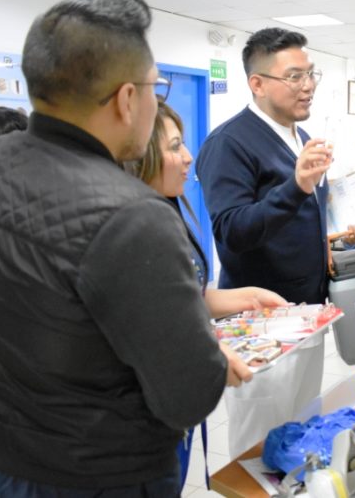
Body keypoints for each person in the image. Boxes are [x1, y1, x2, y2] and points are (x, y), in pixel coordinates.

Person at [0, 0, 251, 493]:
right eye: (156, 88)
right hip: (103, 476)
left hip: (5, 461)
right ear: (127, 99)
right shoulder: (134, 216)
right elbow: (188, 395)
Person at [130, 100, 286, 489]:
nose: (187, 158)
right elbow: (145, 323)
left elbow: (189, 298)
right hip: (145, 409)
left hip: (176, 407)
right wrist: (209, 356)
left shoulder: (168, 209)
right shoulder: (129, 228)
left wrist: (247, 296)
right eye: (174, 147)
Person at [196, 27, 336, 305]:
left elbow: (302, 217)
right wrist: (295, 187)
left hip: (307, 304)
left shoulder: (301, 137)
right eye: (295, 76)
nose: (308, 85)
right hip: (262, 313)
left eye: (310, 73)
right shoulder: (228, 143)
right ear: (257, 84)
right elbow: (231, 231)